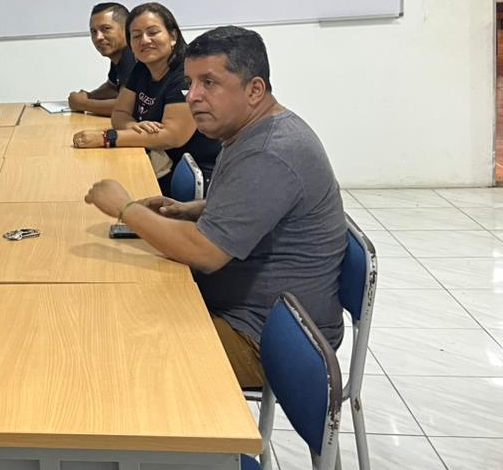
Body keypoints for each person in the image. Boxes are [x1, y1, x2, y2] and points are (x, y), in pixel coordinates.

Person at [83, 26, 346, 388]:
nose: (192, 96)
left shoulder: (269, 151)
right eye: (190, 83)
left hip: (266, 340)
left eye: (209, 83)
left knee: (114, 351)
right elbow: (260, 204)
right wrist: (193, 209)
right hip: (246, 313)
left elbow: (205, 253)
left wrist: (125, 207)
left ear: (255, 90)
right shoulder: (252, 131)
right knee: (110, 309)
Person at [72, 1, 221, 191]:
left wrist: (106, 138)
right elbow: (120, 113)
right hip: (161, 163)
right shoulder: (141, 68)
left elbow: (173, 136)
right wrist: (132, 126)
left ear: (173, 36)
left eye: (153, 32)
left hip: (196, 175)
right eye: (136, 36)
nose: (144, 40)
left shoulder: (186, 73)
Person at [67, 1, 135, 116]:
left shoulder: (133, 54)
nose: (98, 37)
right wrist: (89, 96)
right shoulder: (119, 56)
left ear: (127, 29)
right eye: (94, 32)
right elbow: (112, 88)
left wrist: (83, 104)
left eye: (106, 29)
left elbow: (127, 106)